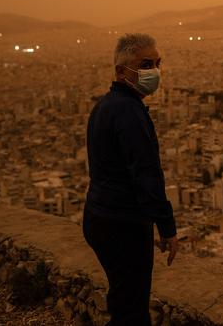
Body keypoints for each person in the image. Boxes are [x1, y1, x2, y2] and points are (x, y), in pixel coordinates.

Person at [82, 33, 178, 325]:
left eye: (157, 63)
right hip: (122, 224)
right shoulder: (128, 113)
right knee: (133, 311)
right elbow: (146, 175)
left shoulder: (106, 105)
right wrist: (167, 227)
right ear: (121, 71)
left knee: (124, 301)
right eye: (146, 64)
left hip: (99, 216)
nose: (154, 71)